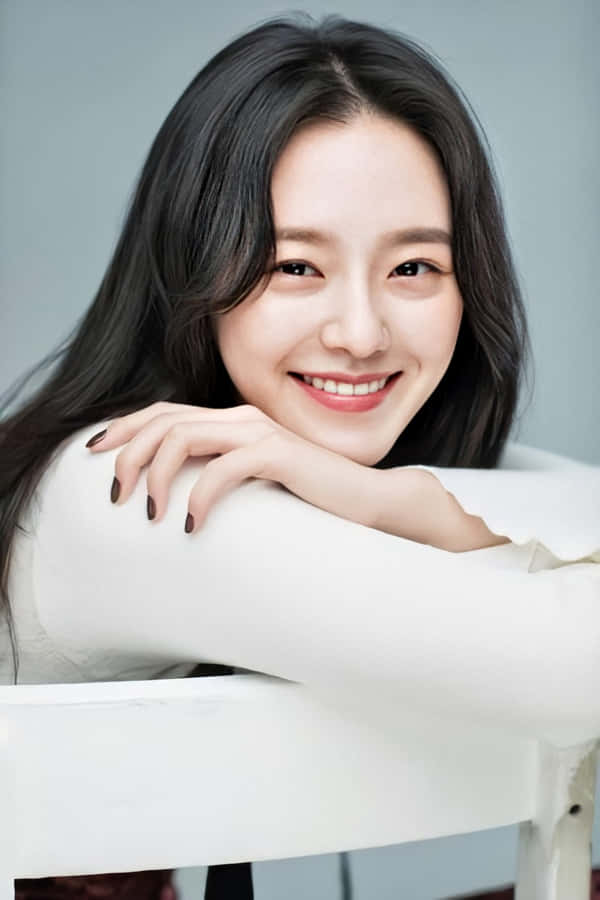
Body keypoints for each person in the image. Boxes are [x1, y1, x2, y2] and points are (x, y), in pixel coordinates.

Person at [2, 13, 599, 900]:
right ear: (192, 267)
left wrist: (384, 498)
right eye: (294, 267)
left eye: (414, 270)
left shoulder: (271, 454)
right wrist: (384, 499)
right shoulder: (141, 479)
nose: (359, 333)